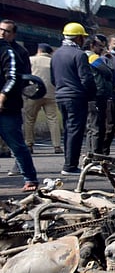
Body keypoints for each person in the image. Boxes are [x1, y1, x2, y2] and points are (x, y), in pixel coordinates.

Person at [51, 22, 95, 175]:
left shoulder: (56, 54)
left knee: (68, 130)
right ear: (78, 38)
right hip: (76, 97)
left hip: (61, 96)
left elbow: (53, 78)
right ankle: (70, 166)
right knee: (75, 131)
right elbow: (86, 79)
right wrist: (91, 95)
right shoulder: (79, 54)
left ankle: (68, 163)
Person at [0, 31, 39, 191]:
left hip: (7, 108)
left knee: (16, 144)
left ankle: (30, 178)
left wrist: (3, 95)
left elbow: (13, 77)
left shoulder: (7, 51)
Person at [25, 44, 62, 154]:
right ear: (49, 52)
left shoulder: (31, 60)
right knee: (53, 119)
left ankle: (29, 144)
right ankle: (57, 146)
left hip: (34, 93)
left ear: (39, 50)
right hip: (51, 94)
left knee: (29, 119)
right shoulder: (54, 62)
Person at [84, 35, 115, 155]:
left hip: (90, 95)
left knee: (91, 126)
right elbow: (107, 72)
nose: (101, 49)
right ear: (92, 46)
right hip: (98, 94)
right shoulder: (92, 57)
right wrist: (107, 59)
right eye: (99, 47)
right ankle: (96, 155)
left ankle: (90, 154)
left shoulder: (83, 56)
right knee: (97, 127)